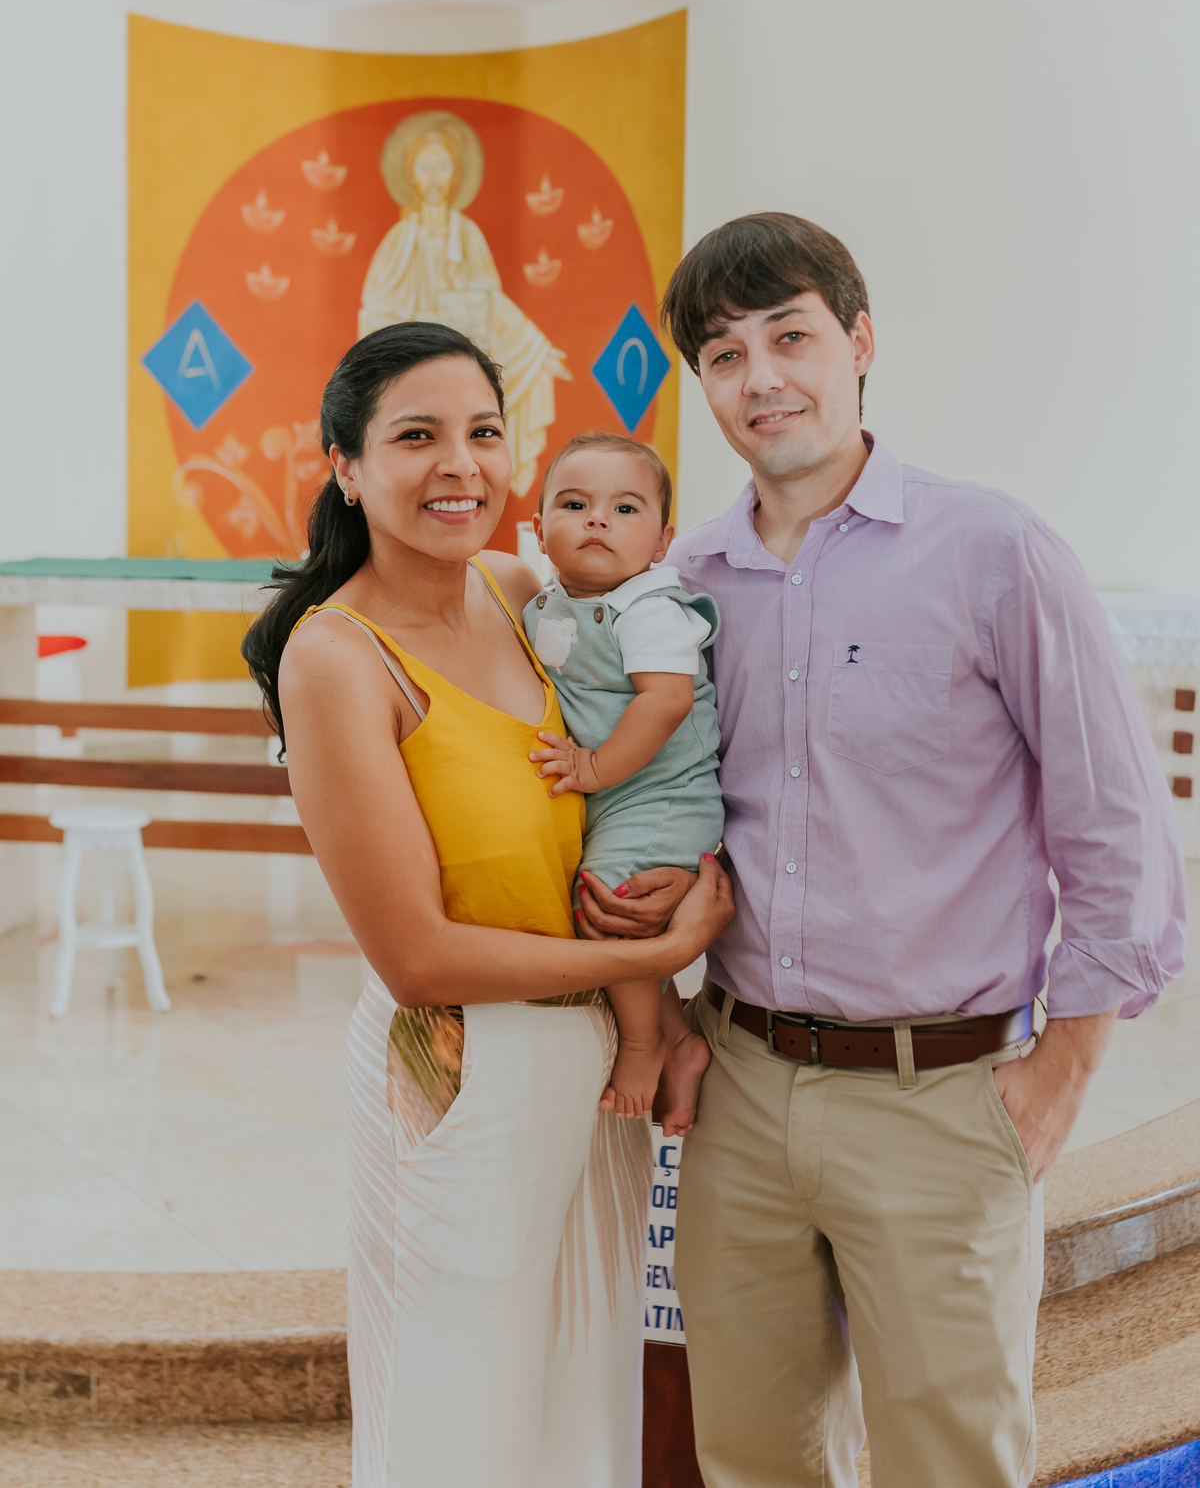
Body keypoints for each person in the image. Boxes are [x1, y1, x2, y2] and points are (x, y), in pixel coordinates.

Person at [576, 212, 1187, 1488]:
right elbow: (671, 796)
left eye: (790, 335)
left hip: (943, 1096)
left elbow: (1116, 822)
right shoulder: (683, 587)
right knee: (753, 1452)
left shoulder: (993, 551)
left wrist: (1064, 1066)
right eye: (726, 355)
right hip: (740, 1082)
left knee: (950, 1462)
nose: (761, 379)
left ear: (858, 342)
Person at [241, 321, 732, 1488]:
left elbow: (659, 755)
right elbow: (415, 956)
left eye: (484, 432)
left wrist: (688, 899)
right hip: (468, 1068)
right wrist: (659, 949)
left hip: (601, 1060)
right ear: (348, 467)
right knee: (458, 1425)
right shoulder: (338, 656)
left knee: (582, 1411)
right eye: (417, 436)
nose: (460, 464)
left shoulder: (523, 591)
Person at [523, 431, 722, 1135]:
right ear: (539, 529)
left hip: (665, 794)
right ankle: (680, 1040)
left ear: (663, 541)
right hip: (619, 794)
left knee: (604, 902)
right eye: (575, 504)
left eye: (625, 509)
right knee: (622, 918)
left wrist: (592, 769)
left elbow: (665, 702)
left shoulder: (650, 610)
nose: (598, 520)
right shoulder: (544, 604)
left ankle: (643, 1043)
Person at [357, 110, 570, 496]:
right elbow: (374, 311)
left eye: (443, 166)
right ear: (410, 176)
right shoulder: (400, 240)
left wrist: (535, 347)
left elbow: (492, 303)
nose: (434, 176)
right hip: (410, 377)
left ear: (456, 174)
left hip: (463, 370)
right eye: (425, 166)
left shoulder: (468, 236)